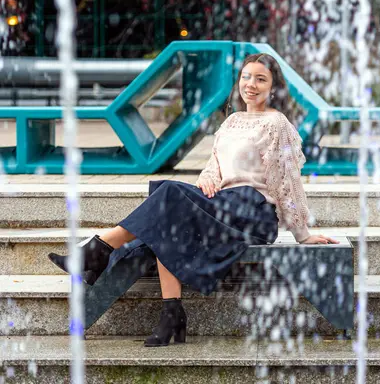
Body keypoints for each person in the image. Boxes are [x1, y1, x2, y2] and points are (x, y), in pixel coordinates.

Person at [48, 53, 339, 347]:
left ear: (274, 86)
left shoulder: (277, 124)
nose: (251, 84)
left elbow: (287, 181)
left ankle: (100, 248)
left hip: (253, 212)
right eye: (246, 77)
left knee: (169, 194)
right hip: (224, 203)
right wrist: (206, 180)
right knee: (169, 214)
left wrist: (303, 234)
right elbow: (214, 167)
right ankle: (171, 311)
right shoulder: (232, 122)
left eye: (260, 79)